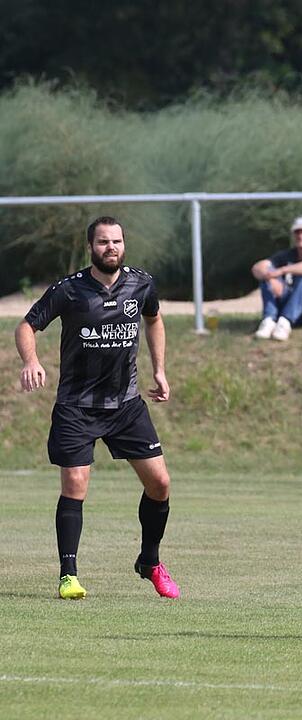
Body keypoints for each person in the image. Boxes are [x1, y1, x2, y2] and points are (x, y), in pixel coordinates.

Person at [14, 216, 180, 600]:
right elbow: (27, 326)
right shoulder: (70, 290)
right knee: (75, 483)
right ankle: (68, 575)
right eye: (103, 242)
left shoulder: (141, 283)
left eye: (117, 241)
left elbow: (154, 320)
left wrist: (159, 369)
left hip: (126, 404)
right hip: (77, 406)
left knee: (160, 484)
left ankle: (150, 562)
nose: (111, 248)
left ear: (124, 244)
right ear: (91, 246)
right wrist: (30, 361)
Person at [251, 216, 302, 341]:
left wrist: (282, 270)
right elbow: (257, 268)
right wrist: (271, 278)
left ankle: (285, 321)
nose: (300, 235)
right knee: (267, 277)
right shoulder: (287, 254)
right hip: (292, 308)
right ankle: (269, 320)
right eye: (297, 232)